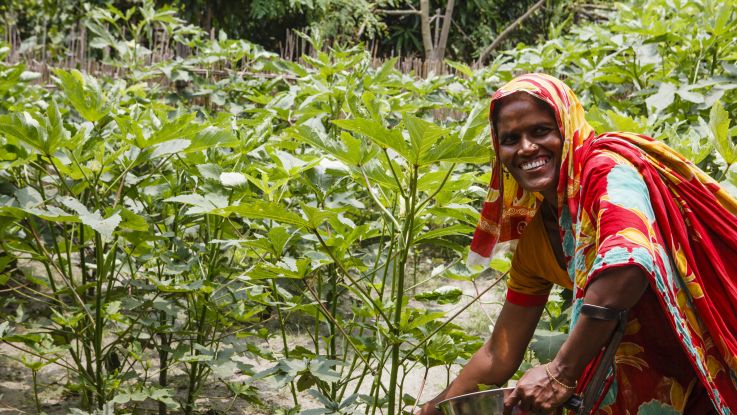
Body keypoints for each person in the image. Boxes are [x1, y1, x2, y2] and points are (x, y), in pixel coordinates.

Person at [418, 73, 737, 415]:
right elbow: (500, 353)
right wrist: (432, 410)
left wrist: (560, 372)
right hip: (662, 379)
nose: (526, 148)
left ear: (567, 128)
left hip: (709, 353)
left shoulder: (608, 171)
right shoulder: (538, 239)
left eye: (540, 131)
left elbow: (630, 259)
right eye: (511, 138)